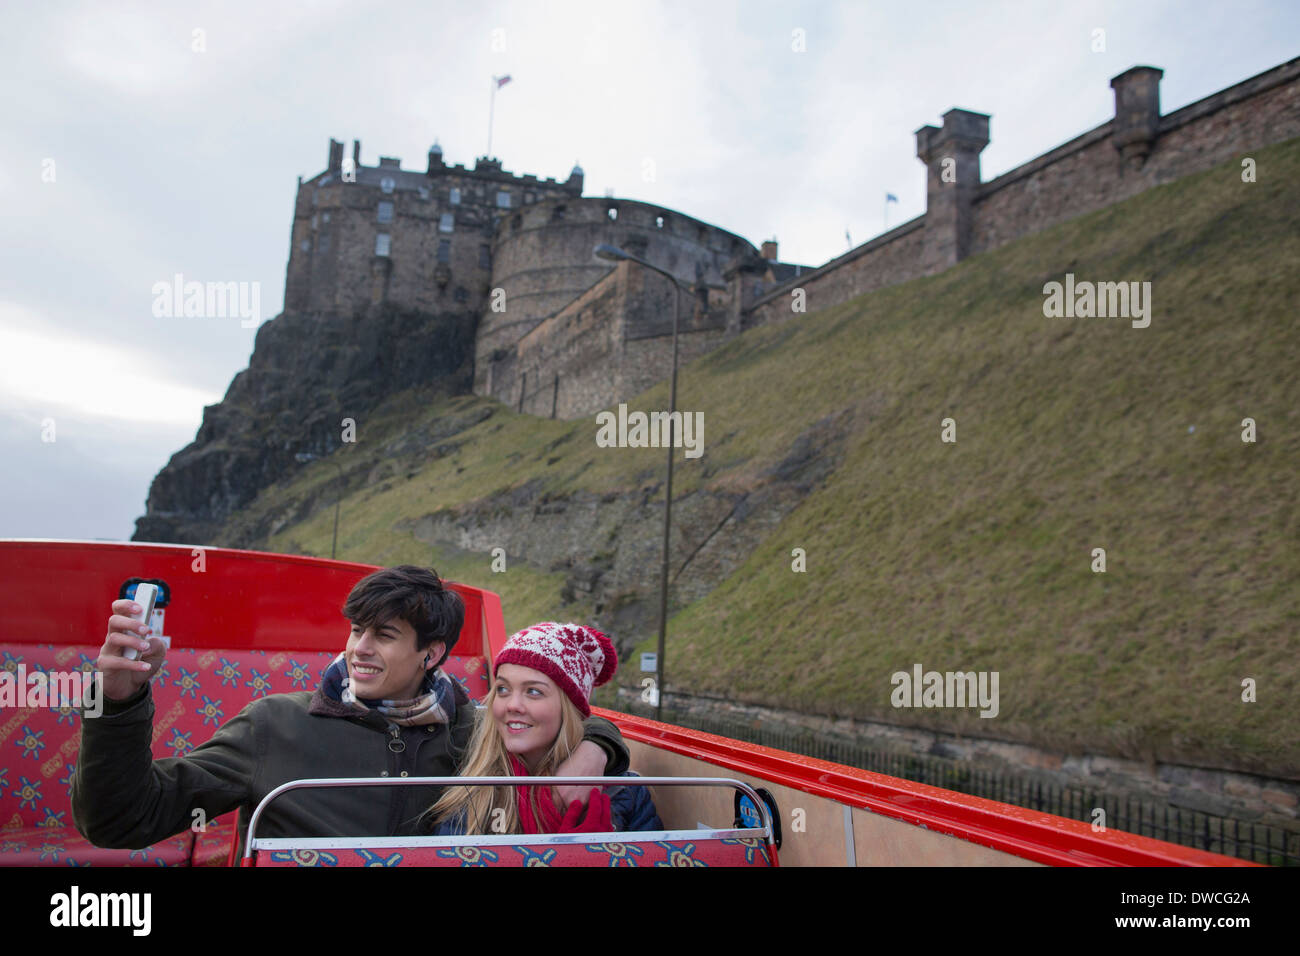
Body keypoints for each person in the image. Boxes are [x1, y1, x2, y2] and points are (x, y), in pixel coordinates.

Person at [71, 566, 628, 854]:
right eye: (357, 629)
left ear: (431, 654)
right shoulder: (275, 724)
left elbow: (559, 710)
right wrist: (118, 700)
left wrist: (595, 750)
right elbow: (121, 819)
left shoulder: (475, 731)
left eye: (384, 635)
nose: (359, 648)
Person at [428, 621, 661, 835]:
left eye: (533, 691)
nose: (513, 705)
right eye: (502, 689)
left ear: (569, 708)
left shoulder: (625, 794)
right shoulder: (471, 791)